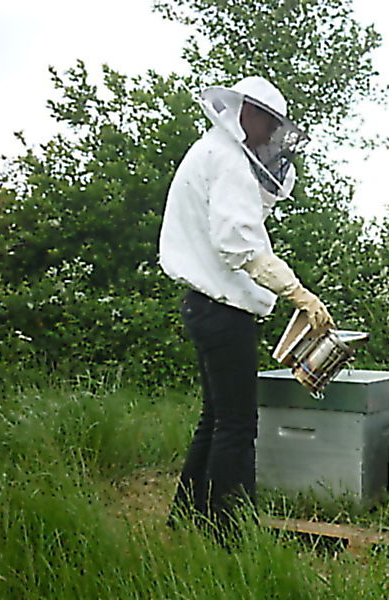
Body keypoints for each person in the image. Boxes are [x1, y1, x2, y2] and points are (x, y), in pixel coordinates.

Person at [159, 75, 334, 536]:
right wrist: (298, 293)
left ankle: (188, 517)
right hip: (221, 309)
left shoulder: (212, 152)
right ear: (249, 114)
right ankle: (230, 534)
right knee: (238, 425)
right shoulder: (228, 158)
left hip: (207, 306)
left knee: (216, 418)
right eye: (270, 124)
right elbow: (240, 245)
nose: (273, 136)